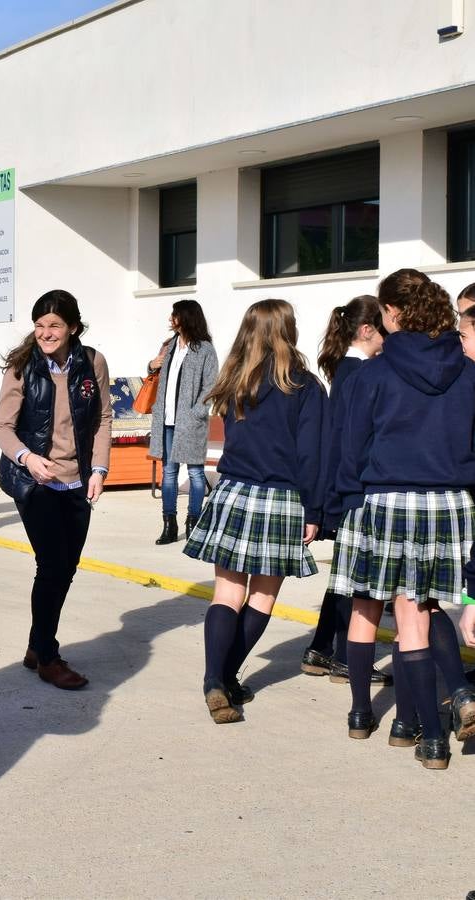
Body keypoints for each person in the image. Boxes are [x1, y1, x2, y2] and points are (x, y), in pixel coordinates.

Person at [335, 269, 475, 768]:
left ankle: (427, 736)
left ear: (392, 313)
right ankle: (427, 720)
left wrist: (345, 504)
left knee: (398, 617)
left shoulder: (370, 375)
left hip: (388, 499)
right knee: (427, 611)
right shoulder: (468, 371)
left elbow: (350, 450)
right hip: (453, 503)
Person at [184, 299, 326, 724]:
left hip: (232, 492)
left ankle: (214, 679)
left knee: (226, 594)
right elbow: (312, 455)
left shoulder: (233, 380)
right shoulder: (305, 386)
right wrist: (315, 509)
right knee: (262, 597)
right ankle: (226, 677)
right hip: (282, 498)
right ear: (288, 330)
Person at [0, 290, 113, 690]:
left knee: (67, 568)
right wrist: (27, 458)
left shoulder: (92, 362)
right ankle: (47, 656)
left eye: (54, 325)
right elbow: (2, 428)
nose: (45, 333)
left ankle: (35, 644)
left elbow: (103, 418)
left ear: (72, 327)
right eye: (40, 325)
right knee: (52, 566)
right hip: (35, 482)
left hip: (77, 482)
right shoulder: (21, 366)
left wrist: (99, 468)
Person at [302, 296, 389, 688]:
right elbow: (346, 439)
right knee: (357, 580)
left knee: (345, 575)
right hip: (354, 487)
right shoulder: (358, 373)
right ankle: (340, 655)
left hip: (343, 485)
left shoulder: (348, 369)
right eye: (384, 327)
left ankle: (321, 648)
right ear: (367, 330)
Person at [146, 299, 218, 545]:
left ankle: (193, 523)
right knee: (169, 473)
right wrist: (151, 365)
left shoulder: (205, 349)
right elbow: (156, 376)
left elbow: (211, 385)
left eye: (174, 315)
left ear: (185, 317)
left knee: (196, 473)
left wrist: (197, 412)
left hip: (191, 421)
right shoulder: (169, 345)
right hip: (166, 419)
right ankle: (169, 524)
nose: (170, 319)